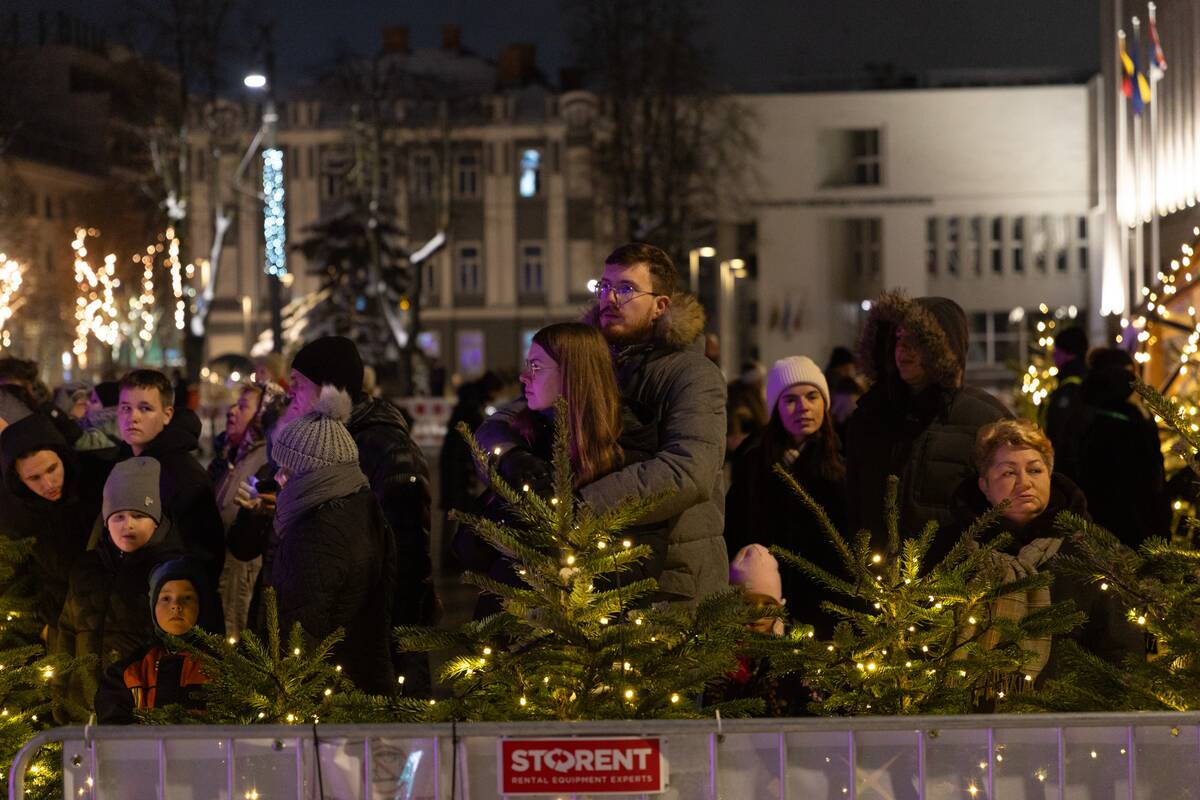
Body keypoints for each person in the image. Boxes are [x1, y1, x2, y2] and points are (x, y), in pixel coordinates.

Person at [479, 243, 729, 604]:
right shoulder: (585, 360)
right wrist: (514, 460)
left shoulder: (691, 374)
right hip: (588, 577)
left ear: (661, 305)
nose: (609, 298)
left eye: (626, 289)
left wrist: (578, 509)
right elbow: (506, 419)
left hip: (670, 579)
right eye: (604, 286)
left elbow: (688, 471)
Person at [456, 322, 660, 617]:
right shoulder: (529, 442)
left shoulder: (627, 451)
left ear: (573, 374)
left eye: (536, 367)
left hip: (595, 639)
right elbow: (471, 547)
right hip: (510, 630)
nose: (524, 376)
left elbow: (641, 560)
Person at [282, 335, 435, 690]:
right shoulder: (321, 443)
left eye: (298, 385)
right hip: (344, 629)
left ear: (327, 390)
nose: (290, 395)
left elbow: (408, 554)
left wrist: (396, 638)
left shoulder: (386, 448)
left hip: (379, 635)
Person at [945, 419, 1142, 688]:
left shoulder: (1092, 553)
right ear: (984, 486)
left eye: (1035, 470)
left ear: (1049, 476)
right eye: (1008, 473)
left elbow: (1122, 652)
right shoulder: (956, 552)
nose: (1024, 483)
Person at [845, 291, 1011, 544]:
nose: (903, 349)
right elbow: (853, 502)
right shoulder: (871, 414)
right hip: (876, 576)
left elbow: (1009, 505)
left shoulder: (985, 419)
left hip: (955, 576)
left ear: (945, 347)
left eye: (918, 340)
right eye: (899, 338)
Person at [266, 385, 397, 694]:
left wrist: (286, 699)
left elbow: (300, 637)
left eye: (286, 468)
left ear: (311, 475)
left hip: (327, 699)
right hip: (360, 684)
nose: (277, 477)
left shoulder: (315, 535)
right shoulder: (359, 505)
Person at [725, 356, 847, 638]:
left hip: (824, 604)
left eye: (812, 396)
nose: (803, 407)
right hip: (764, 605)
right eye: (790, 399)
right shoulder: (754, 460)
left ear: (824, 404)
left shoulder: (843, 462)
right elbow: (736, 527)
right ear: (776, 408)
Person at [56, 458, 186, 710]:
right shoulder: (87, 568)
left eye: (138, 515)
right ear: (106, 521)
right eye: (118, 516)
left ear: (156, 520)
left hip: (140, 713)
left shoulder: (171, 573)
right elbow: (67, 633)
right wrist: (61, 698)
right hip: (83, 709)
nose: (128, 525)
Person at [0, 413, 107, 645]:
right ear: (19, 479)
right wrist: (40, 625)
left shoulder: (96, 486)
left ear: (63, 457)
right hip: (57, 622)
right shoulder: (15, 516)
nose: (48, 484)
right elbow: (15, 577)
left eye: (52, 469)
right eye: (34, 478)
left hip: (108, 617)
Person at [116, 369, 225, 585]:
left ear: (167, 415)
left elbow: (203, 558)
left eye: (145, 408)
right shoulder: (125, 465)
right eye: (125, 408)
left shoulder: (185, 477)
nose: (133, 417)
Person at [94, 558, 223, 723]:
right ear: (153, 606)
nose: (176, 605)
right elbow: (114, 735)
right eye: (166, 598)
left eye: (187, 597)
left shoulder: (222, 669)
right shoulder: (126, 673)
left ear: (202, 605)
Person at [208, 382, 284, 638]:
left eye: (243, 407)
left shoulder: (266, 458)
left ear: (262, 413)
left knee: (235, 635)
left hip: (244, 572)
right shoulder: (237, 453)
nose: (232, 411)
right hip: (227, 563)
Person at [1075, 348, 1169, 549]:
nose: (1135, 382)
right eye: (1129, 375)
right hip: (1129, 529)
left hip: (1133, 523)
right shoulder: (1116, 420)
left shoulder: (1128, 414)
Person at [1043, 325, 1089, 481]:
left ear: (1068, 353)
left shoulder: (1070, 389)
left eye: (1056, 351)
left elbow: (1059, 434)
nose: (1054, 356)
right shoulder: (1087, 382)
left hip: (1068, 474)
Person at [76, 381, 122, 452]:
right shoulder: (90, 425)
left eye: (94, 401)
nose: (87, 403)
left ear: (108, 408)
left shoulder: (106, 430)